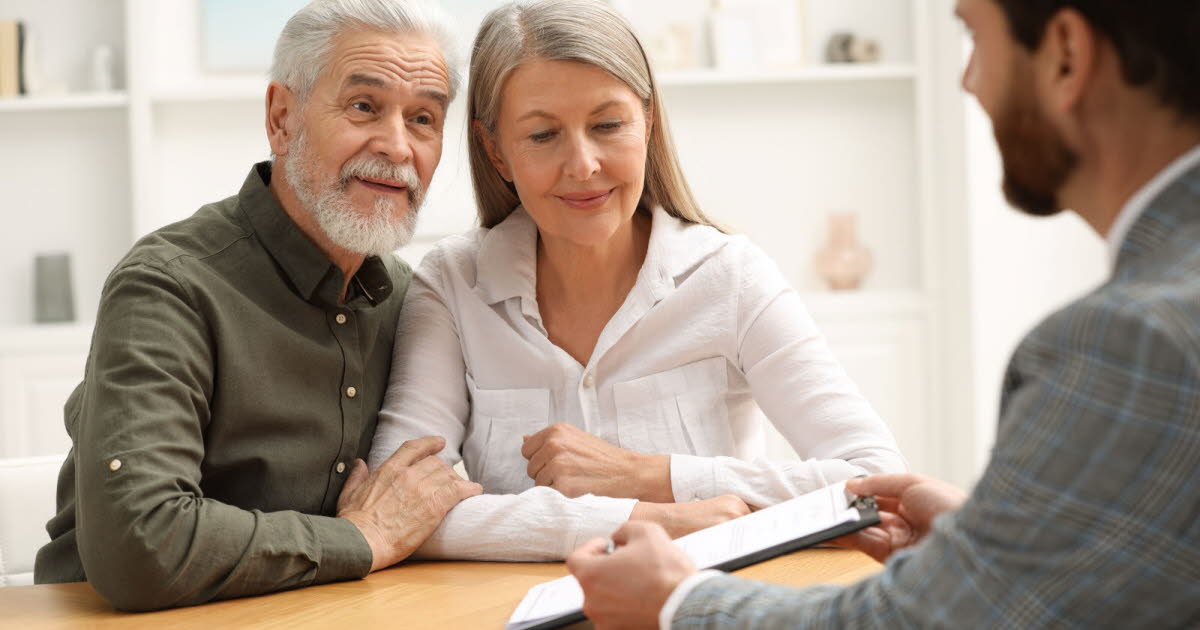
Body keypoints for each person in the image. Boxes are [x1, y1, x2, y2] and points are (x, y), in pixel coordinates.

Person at [566, 0, 1200, 627]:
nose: (968, 80)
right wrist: (981, 538)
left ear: (1065, 53)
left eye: (974, 38)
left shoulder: (1134, 338)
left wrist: (678, 603)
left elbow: (915, 623)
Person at [367, 0, 906, 562]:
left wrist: (650, 475)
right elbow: (396, 508)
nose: (583, 165)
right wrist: (647, 518)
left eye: (607, 125)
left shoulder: (729, 276)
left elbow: (877, 480)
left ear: (647, 123)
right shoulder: (452, 284)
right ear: (496, 151)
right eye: (543, 135)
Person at [32, 0, 483, 611]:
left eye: (424, 118)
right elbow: (142, 543)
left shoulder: (412, 298)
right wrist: (360, 537)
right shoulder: (168, 285)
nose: (398, 146)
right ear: (281, 118)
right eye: (363, 106)